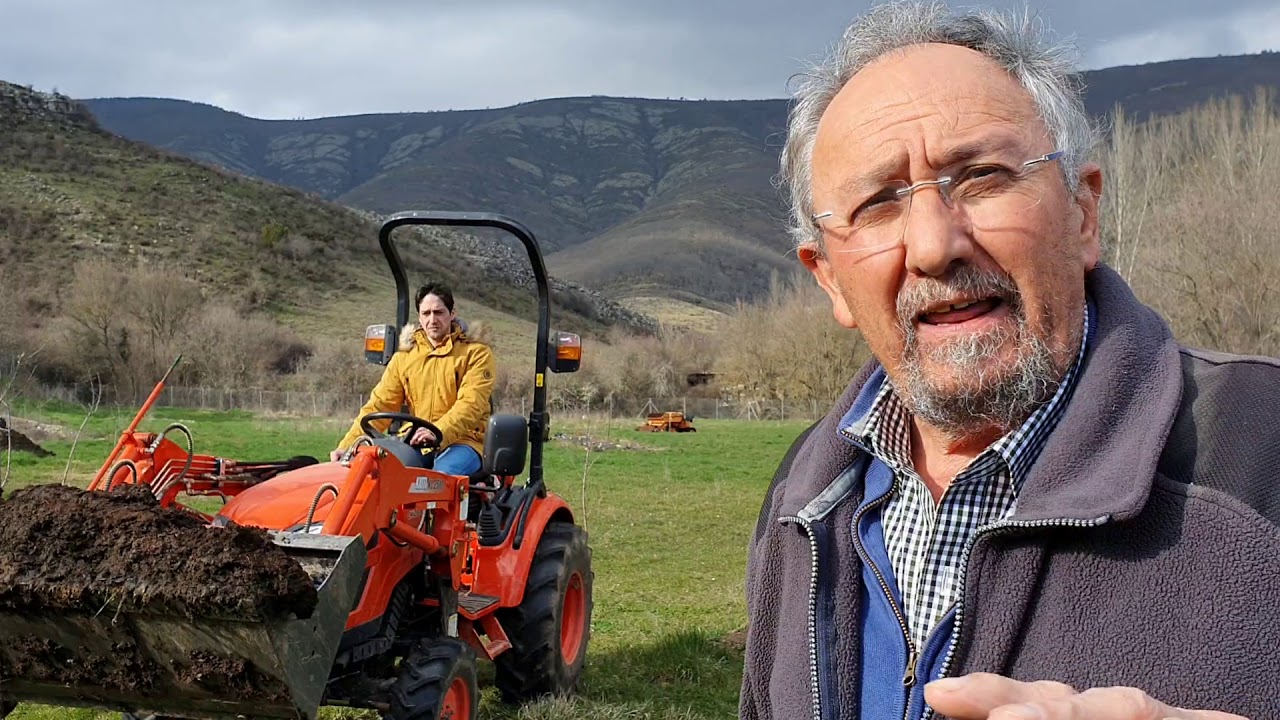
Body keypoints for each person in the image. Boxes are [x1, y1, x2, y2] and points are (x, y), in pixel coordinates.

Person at [740, 3, 1280, 720]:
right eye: (877, 204)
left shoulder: (1261, 453)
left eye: (982, 177)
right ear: (831, 278)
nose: (935, 245)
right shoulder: (803, 499)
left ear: (1082, 214)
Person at [331, 282, 496, 476]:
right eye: (426, 313)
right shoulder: (405, 358)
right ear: (419, 317)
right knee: (376, 472)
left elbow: (471, 404)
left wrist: (438, 431)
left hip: (465, 441)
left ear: (452, 314)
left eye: (439, 312)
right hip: (415, 438)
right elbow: (380, 404)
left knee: (440, 479)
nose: (432, 319)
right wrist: (348, 446)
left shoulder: (476, 353)